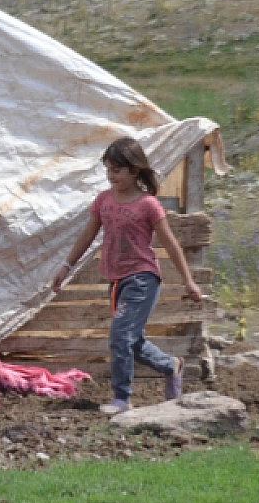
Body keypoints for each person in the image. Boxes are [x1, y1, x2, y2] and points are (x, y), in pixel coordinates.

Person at [51, 137, 205, 415]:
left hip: (142, 278)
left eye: (117, 170)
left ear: (134, 170)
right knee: (130, 340)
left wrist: (188, 281)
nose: (111, 176)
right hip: (116, 280)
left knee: (120, 336)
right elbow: (87, 236)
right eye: (108, 170)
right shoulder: (104, 201)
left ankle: (122, 398)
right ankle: (171, 366)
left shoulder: (148, 205)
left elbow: (170, 244)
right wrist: (66, 266)